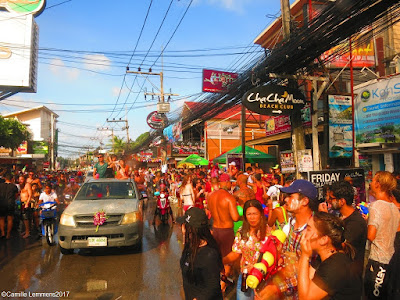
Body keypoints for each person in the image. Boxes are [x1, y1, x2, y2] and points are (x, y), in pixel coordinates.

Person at [256, 179, 318, 300]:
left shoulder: (314, 230)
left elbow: (307, 268)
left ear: (305, 201)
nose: (285, 199)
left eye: (290, 196)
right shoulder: (291, 224)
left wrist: (275, 287)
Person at [298, 211, 362, 300]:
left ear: (323, 239)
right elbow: (307, 283)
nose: (303, 233)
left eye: (308, 229)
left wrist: (304, 256)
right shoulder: (322, 257)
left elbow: (304, 298)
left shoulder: (336, 265)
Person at [223, 200, 269, 300]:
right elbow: (236, 253)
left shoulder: (268, 233)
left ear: (261, 214)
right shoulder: (241, 231)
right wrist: (221, 260)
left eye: (255, 214)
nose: (252, 217)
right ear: (245, 216)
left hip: (263, 279)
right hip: (245, 277)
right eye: (249, 214)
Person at [364, 171, 400, 300]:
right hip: (392, 260)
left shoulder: (376, 206)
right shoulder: (394, 208)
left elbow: (371, 235)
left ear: (378, 184)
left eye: (373, 181)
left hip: (378, 261)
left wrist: (366, 223)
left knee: (373, 295)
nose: (371, 183)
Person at [178, 207, 224, 300]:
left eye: (184, 226)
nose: (182, 228)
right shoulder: (190, 246)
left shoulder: (208, 254)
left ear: (191, 230)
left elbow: (212, 286)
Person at [329, 180, 367, 282]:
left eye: (332, 198)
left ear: (342, 201)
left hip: (350, 278)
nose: (328, 201)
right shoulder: (340, 217)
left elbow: (341, 246)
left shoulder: (355, 223)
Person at [0, 173, 18, 239]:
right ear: (12, 179)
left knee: (1, 218)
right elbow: (16, 196)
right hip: (10, 203)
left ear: (5, 178)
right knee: (10, 218)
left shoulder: (0, 185)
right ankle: (8, 234)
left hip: (1, 203)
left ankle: (2, 233)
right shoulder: (14, 186)